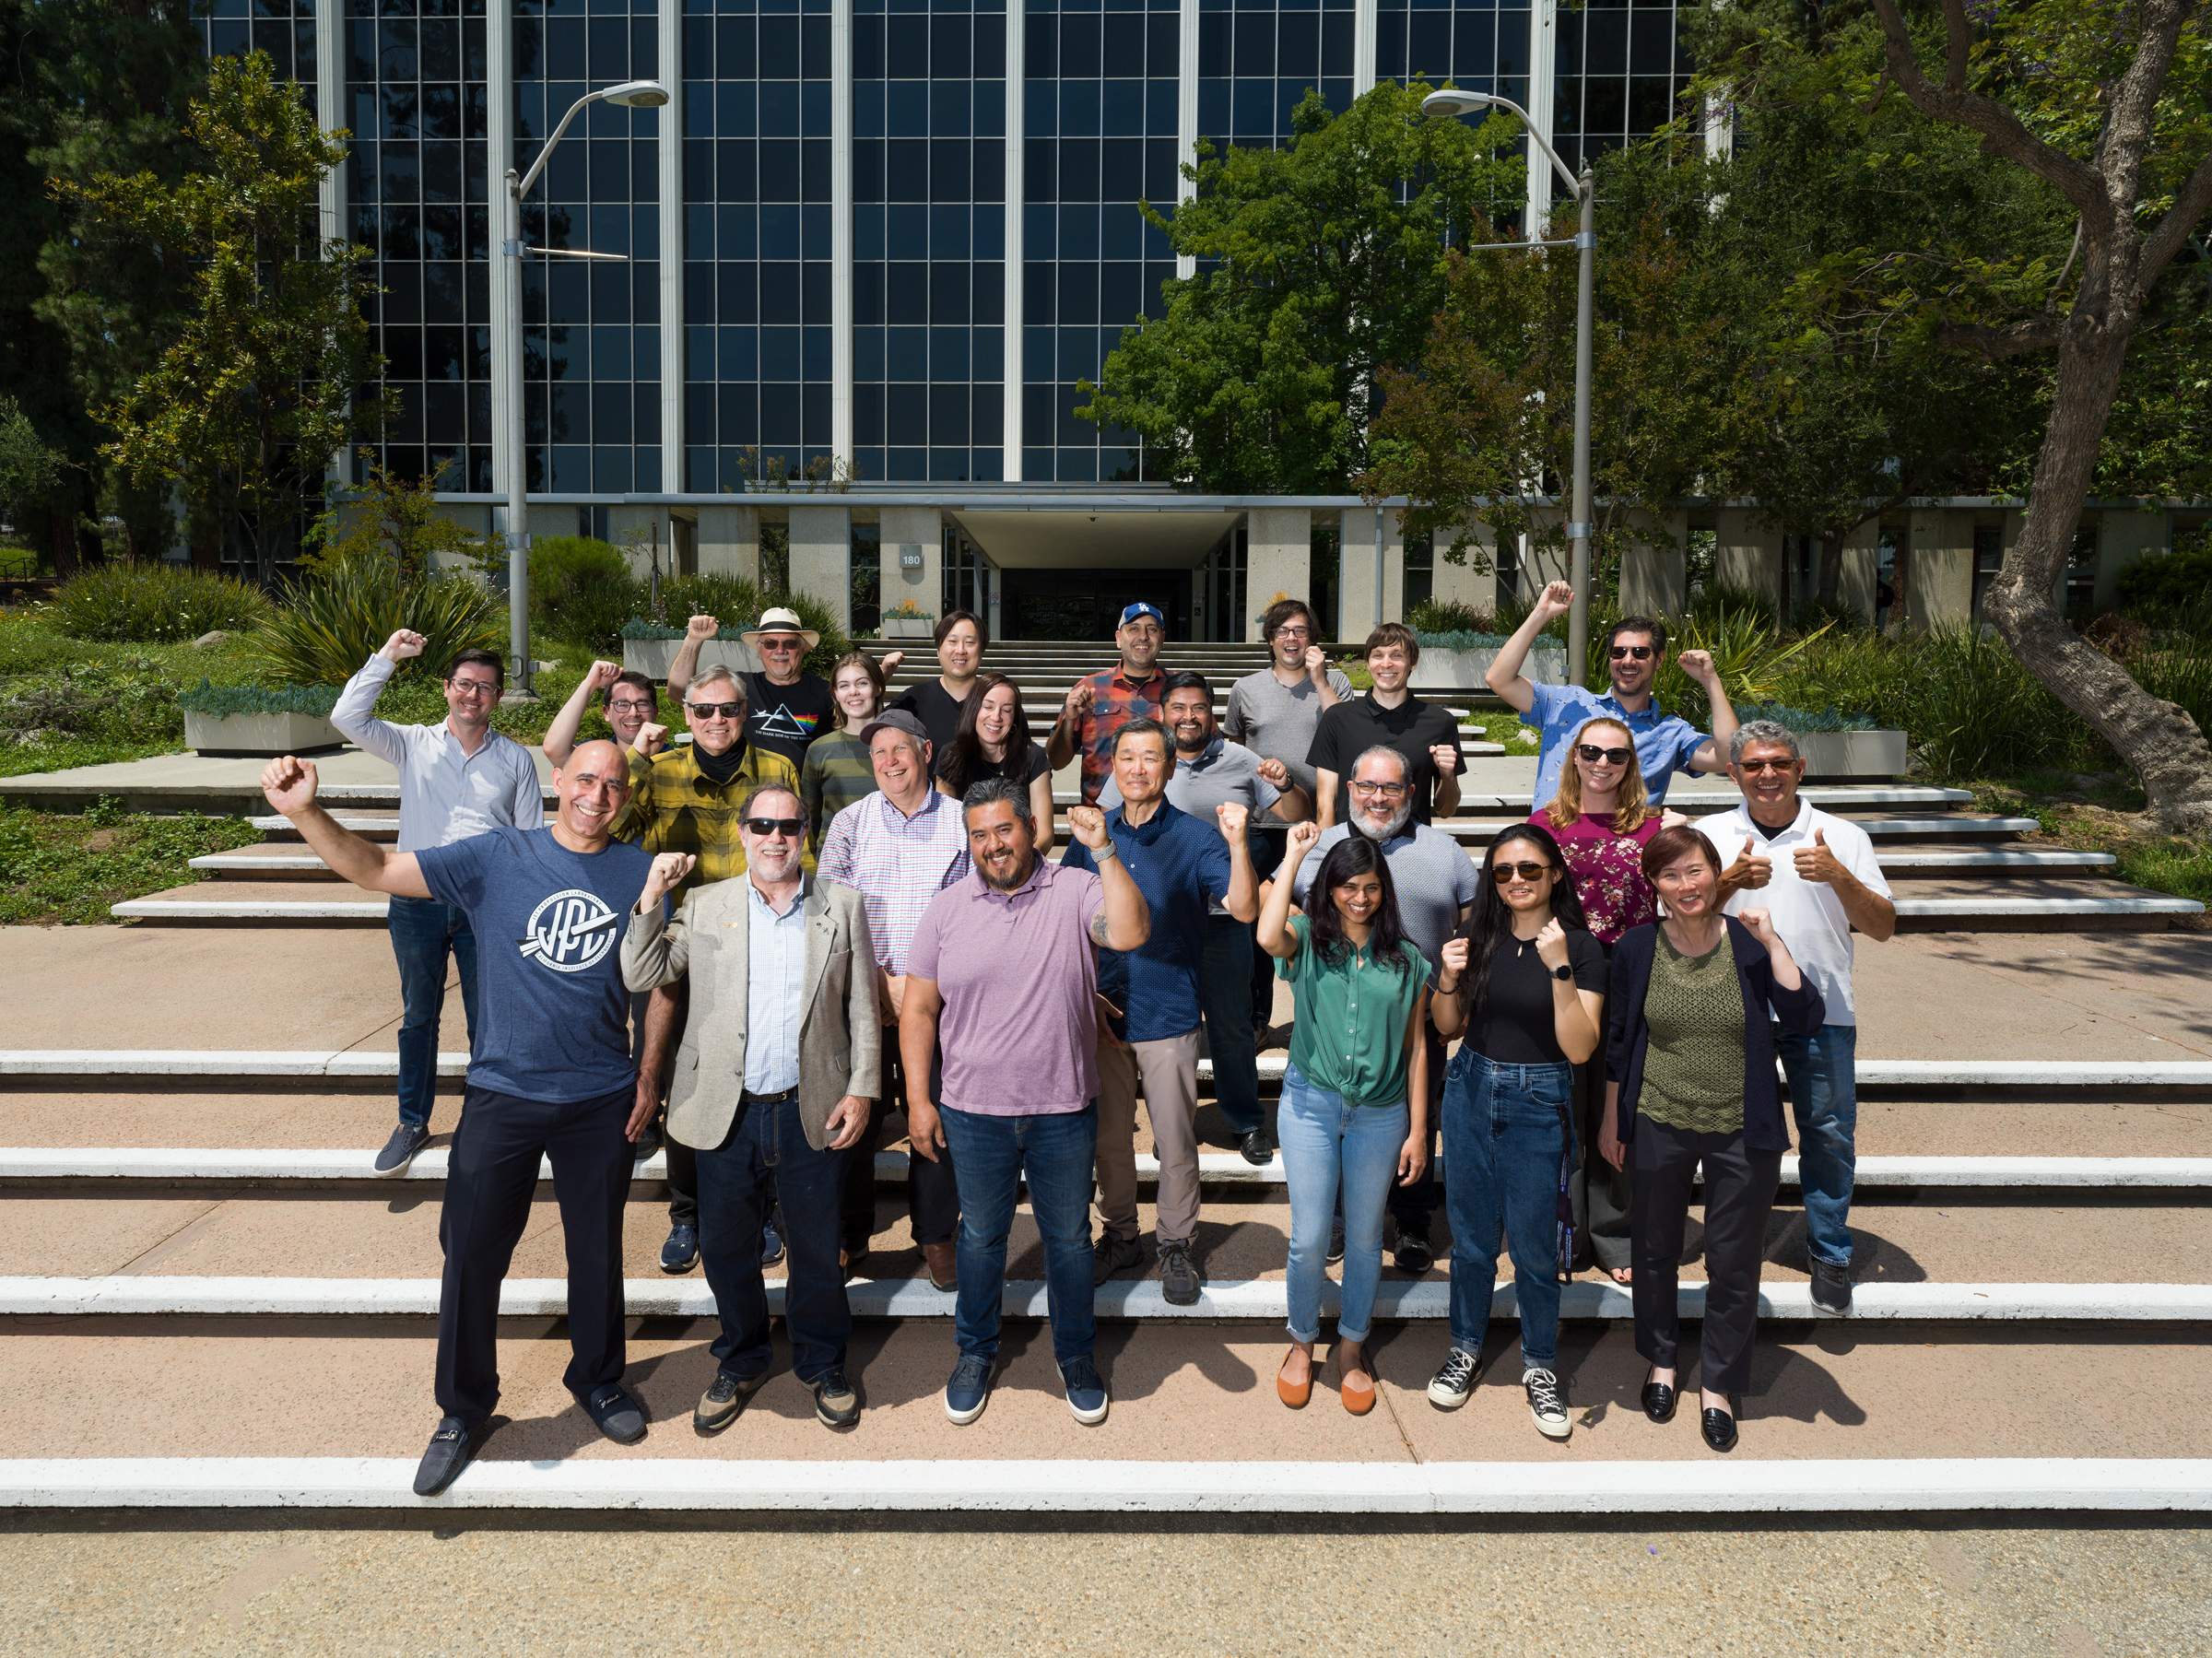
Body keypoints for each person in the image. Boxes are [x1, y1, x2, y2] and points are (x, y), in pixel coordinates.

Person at [259, 742, 655, 1497]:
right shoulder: (497, 855)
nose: (597, 795)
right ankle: (463, 1408)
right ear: (557, 784)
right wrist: (307, 811)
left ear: (627, 796)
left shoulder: (640, 870)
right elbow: (376, 867)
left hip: (599, 1095)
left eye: (612, 785)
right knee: (471, 1254)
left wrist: (651, 1075)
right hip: (502, 1092)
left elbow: (661, 981)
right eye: (584, 780)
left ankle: (599, 1379)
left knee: (597, 1252)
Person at [619, 785, 880, 1432]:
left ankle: (822, 1363)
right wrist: (652, 894)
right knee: (728, 1249)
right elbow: (641, 969)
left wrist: (864, 1086)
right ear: (742, 833)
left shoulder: (842, 905)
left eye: (788, 826)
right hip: (724, 1110)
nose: (775, 836)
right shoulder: (705, 904)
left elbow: (864, 1008)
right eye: (762, 824)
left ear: (806, 834)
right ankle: (739, 1357)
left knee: (818, 1251)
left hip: (811, 1108)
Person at [901, 781, 1149, 1428]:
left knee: (1067, 1239)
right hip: (972, 1109)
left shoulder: (1074, 888)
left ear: (1030, 827)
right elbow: (920, 1008)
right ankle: (974, 1352)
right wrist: (919, 1100)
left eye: (1003, 829)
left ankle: (1075, 1354)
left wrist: (1104, 850)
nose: (992, 845)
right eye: (978, 834)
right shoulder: (947, 908)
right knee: (981, 1237)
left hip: (1062, 1106)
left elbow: (1129, 930)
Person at [1599, 824, 1825, 1453]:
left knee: (1733, 1259)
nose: (1685, 885)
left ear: (1714, 872)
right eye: (1670, 875)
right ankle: (1663, 1362)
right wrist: (1613, 1117)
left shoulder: (1749, 944)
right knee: (1654, 1248)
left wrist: (1775, 941)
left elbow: (1806, 1016)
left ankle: (1720, 1384)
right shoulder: (1638, 947)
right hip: (1657, 1117)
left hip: (1740, 1128)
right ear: (1655, 885)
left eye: (1695, 871)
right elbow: (1619, 1040)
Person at [332, 630, 544, 1176]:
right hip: (416, 898)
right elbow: (347, 717)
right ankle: (411, 1121)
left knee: (488, 1020)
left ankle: (486, 1119)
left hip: (483, 907)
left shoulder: (517, 760)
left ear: (498, 697)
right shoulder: (411, 743)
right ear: (446, 688)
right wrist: (386, 657)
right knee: (419, 1015)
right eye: (465, 685)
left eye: (486, 688)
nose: (473, 695)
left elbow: (527, 841)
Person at [1705, 719, 1896, 1317]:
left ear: (1799, 768)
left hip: (1824, 1008)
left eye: (1779, 763)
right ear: (1735, 772)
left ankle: (1830, 1250)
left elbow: (1884, 925)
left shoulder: (1842, 835)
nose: (1767, 774)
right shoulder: (1707, 834)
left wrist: (1838, 873)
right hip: (1732, 1010)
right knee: (1731, 1137)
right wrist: (1727, 881)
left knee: (1829, 1134)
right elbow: (1670, 919)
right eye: (1754, 765)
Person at [1064, 718, 1258, 1303]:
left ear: (1170, 769)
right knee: (1109, 1141)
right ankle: (1121, 1236)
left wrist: (1239, 844)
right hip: (1104, 1011)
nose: (1139, 768)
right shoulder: (1092, 835)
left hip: (1168, 1010)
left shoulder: (1198, 839)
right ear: (1113, 769)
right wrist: (1082, 996)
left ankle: (1176, 1244)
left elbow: (1245, 911)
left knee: (1173, 1139)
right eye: (1128, 758)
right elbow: (1069, 921)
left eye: (1151, 758)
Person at [1427, 824, 1607, 1439]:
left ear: (1555, 873)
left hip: (1540, 1097)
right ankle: (1466, 1347)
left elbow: (1580, 1048)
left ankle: (1539, 1365)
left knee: (1533, 1249)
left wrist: (1558, 969)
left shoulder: (1581, 949)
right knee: (1472, 1240)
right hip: (1470, 1089)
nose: (1516, 882)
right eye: (1502, 872)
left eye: (1529, 869)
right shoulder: (1477, 936)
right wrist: (1447, 978)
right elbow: (1446, 1026)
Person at [620, 662, 800, 1275]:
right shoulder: (664, 770)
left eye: (728, 710)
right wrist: (638, 762)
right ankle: (687, 1212)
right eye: (704, 710)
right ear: (686, 715)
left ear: (744, 714)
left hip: (763, 944)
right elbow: (615, 830)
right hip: (686, 948)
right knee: (686, 1085)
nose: (716, 720)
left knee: (764, 1083)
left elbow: (801, 848)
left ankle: (763, 1209)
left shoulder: (777, 769)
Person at [1100, 673, 1310, 1164]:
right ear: (1164, 713)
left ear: (1213, 714)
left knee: (1231, 1024)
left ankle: (1245, 1120)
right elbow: (1112, 830)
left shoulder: (1242, 760)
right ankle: (1174, 1128)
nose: (1188, 717)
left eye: (1198, 708)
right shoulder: (1137, 762)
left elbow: (1295, 813)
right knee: (1166, 1029)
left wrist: (1285, 783)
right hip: (1160, 922)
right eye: (1179, 708)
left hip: (1221, 918)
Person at [1258, 823, 1430, 1417]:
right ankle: (1301, 1343)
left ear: (1386, 891)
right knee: (1308, 1239)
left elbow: (1418, 1048)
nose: (1360, 898)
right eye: (1348, 887)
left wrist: (1418, 1128)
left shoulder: (1408, 959)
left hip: (1380, 1116)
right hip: (1309, 1105)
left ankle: (1351, 1349)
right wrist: (1293, 857)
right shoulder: (1306, 938)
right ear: (1329, 890)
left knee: (1363, 1238)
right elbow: (1265, 933)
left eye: (1372, 887)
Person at [1288, 745, 1479, 1271]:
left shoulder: (1445, 851)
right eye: (1368, 787)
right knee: (1341, 1124)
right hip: (1338, 1020)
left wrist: (1455, 986)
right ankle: (1336, 1219)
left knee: (1422, 1119)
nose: (1378, 797)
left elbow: (1476, 921)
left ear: (1411, 793)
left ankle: (1413, 1225)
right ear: (1350, 789)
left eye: (1391, 787)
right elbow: (1283, 917)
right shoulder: (1318, 847)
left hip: (1418, 1015)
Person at [817, 709, 973, 1288]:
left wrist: (920, 983)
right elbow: (830, 913)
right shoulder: (851, 823)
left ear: (925, 752)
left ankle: (935, 1234)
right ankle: (849, 1235)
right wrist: (874, 981)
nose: (888, 762)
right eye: (878, 753)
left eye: (899, 750)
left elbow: (973, 912)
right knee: (853, 1115)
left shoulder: (961, 822)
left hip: (937, 1000)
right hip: (861, 995)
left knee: (932, 1116)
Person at [1535, 713, 1677, 1284]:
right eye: (1591, 752)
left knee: (1618, 1109)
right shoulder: (1546, 824)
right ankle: (1562, 1232)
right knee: (1563, 1106)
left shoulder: (1652, 827)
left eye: (1616, 756)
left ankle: (1615, 1236)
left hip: (1628, 976)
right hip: (1564, 972)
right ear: (1573, 757)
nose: (1602, 764)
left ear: (1631, 765)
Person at [1486, 582, 1737, 812]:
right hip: (1551, 850)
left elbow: (1729, 758)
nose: (1627, 660)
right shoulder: (1566, 703)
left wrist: (1710, 680)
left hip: (1624, 857)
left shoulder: (1671, 733)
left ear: (1658, 659)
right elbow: (1499, 679)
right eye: (1619, 652)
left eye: (1640, 652)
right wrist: (1541, 613)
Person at [1224, 598, 1352, 1031]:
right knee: (1258, 925)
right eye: (1282, 631)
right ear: (1271, 640)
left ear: (1312, 639)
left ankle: (1319, 1018)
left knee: (1324, 923)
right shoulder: (1246, 688)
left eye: (1299, 630)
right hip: (1264, 825)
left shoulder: (1335, 682)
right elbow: (1233, 752)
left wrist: (1319, 681)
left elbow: (1346, 732)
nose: (1291, 639)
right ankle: (1259, 1017)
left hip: (1323, 826)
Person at [1308, 622, 1464, 829]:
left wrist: (1447, 775)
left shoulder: (1441, 722)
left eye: (1397, 656)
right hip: (1352, 851)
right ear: (1368, 662)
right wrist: (1327, 852)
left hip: (1412, 849)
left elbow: (1447, 811)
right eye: (1378, 655)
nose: (1386, 664)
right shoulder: (1337, 718)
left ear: (1413, 662)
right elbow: (1326, 803)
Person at [1046, 601, 1169, 805]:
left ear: (1162, 639)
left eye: (1152, 629)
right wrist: (1069, 719)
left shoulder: (1181, 692)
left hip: (1165, 821)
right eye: (1133, 629)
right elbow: (1056, 761)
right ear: (1118, 639)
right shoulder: (1089, 688)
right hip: (1100, 820)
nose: (1143, 636)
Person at [934, 671, 1055, 853]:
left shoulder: (1033, 755)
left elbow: (1044, 834)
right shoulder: (951, 755)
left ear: (1014, 718)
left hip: (1021, 860)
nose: (996, 717)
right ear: (974, 709)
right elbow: (948, 829)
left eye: (1006, 710)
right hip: (969, 861)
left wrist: (1018, 868)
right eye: (988, 707)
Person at [800, 650, 892, 852]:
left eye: (862, 683)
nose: (853, 692)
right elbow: (809, 819)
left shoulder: (899, 746)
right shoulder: (819, 750)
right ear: (835, 693)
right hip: (835, 863)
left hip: (890, 860)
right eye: (844, 686)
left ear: (877, 687)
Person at [735, 607, 836, 772]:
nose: (780, 650)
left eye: (789, 643)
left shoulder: (826, 692)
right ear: (759, 650)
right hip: (752, 792)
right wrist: (693, 641)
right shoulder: (740, 686)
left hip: (806, 793)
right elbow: (680, 691)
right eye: (770, 643)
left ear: (802, 650)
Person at [892, 609, 986, 757]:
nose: (960, 650)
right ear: (938, 650)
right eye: (952, 641)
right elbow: (871, 731)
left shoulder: (999, 700)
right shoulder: (914, 699)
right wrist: (877, 681)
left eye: (969, 642)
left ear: (981, 651)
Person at [543, 664, 665, 769]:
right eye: (622, 705)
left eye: (642, 704)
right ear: (606, 713)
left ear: (655, 711)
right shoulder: (595, 755)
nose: (633, 713)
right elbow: (555, 750)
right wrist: (590, 684)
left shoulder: (672, 759)